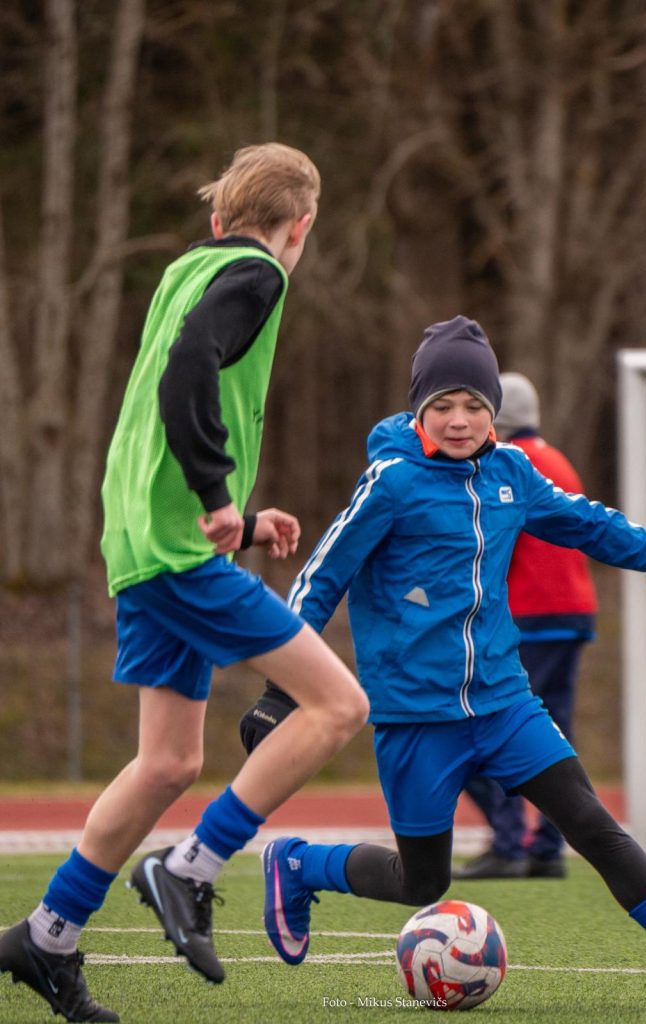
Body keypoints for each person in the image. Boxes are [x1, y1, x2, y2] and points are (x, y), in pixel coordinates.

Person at [240, 315, 646, 1009]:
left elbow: (590, 523)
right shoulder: (390, 483)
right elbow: (319, 578)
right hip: (415, 718)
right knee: (422, 883)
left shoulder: (512, 474)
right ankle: (300, 863)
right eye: (443, 406)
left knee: (595, 827)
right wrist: (284, 688)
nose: (459, 421)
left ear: (493, 414)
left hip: (504, 702)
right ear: (417, 410)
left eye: (474, 407)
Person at [0, 143, 369, 1024]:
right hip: (177, 553)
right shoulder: (258, 275)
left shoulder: (186, 270)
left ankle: (47, 938)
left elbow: (167, 405)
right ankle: (190, 868)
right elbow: (189, 371)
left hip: (138, 545)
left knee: (168, 759)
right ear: (301, 227)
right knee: (339, 707)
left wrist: (242, 511)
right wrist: (214, 495)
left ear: (216, 218)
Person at [453, 372, 598, 881]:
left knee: (489, 725)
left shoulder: (509, 464)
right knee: (556, 729)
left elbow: (492, 543)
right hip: (574, 612)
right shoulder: (558, 458)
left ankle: (510, 840)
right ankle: (548, 848)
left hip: (532, 614)